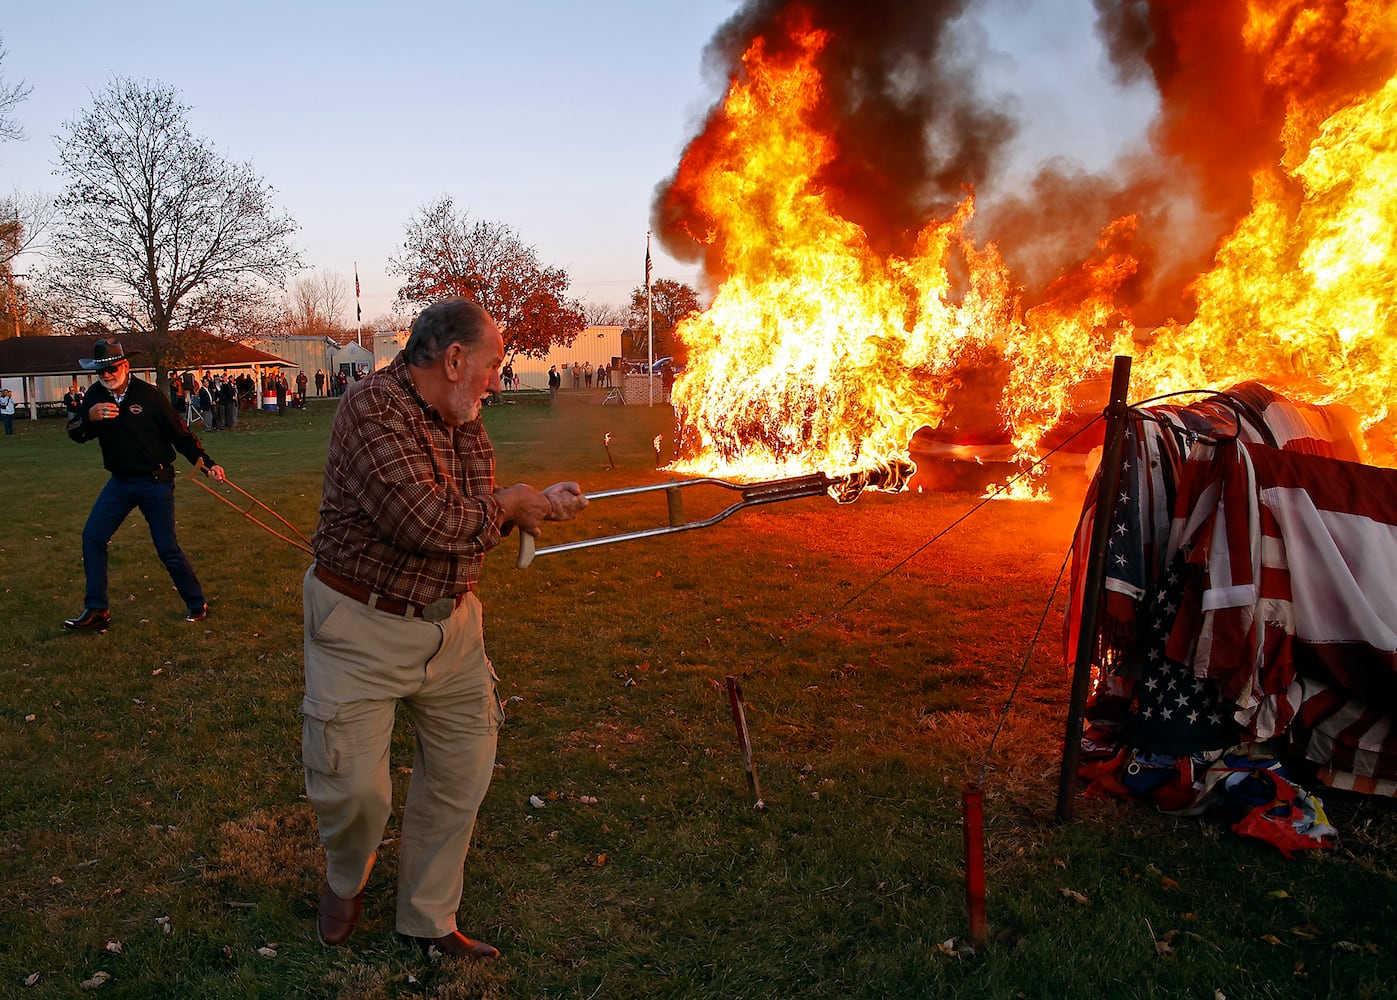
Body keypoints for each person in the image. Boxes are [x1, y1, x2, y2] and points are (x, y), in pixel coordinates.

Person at [302, 297, 586, 959]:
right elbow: (423, 521)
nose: (497, 379)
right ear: (454, 359)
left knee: (460, 776)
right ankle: (347, 878)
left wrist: (532, 506)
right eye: (491, 366)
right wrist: (509, 504)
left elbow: (469, 513)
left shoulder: (465, 419)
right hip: (359, 625)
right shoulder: (370, 408)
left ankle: (427, 921)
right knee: (355, 792)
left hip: (452, 627)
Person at [62, 339, 225, 631]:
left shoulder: (149, 397)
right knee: (93, 536)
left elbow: (182, 435)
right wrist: (90, 416)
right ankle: (97, 609)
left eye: (112, 369)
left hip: (156, 482)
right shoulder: (96, 396)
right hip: (119, 483)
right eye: (101, 372)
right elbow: (75, 432)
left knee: (166, 547)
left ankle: (196, 602)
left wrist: (207, 464)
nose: (107, 376)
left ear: (125, 365)